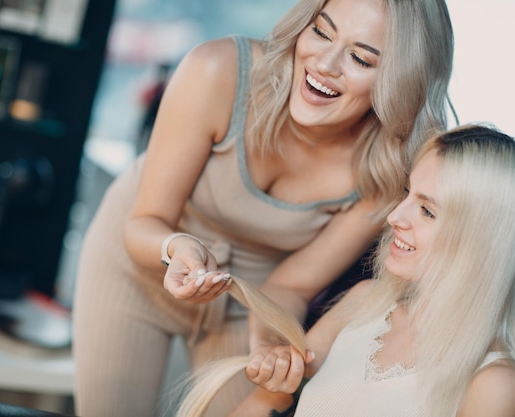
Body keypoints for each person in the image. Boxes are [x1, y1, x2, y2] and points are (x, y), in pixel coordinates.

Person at [72, 0, 456, 415]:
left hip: (252, 299)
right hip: (142, 264)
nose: (324, 64)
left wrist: (271, 341)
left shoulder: (390, 169)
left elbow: (293, 286)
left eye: (361, 58)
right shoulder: (217, 72)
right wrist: (176, 246)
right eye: (322, 32)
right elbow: (145, 222)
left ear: (402, 83)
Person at [175, 124, 515, 417]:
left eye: (427, 211)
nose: (394, 216)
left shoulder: (494, 386)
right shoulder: (363, 302)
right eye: (407, 194)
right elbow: (264, 404)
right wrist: (276, 376)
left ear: (481, 242)